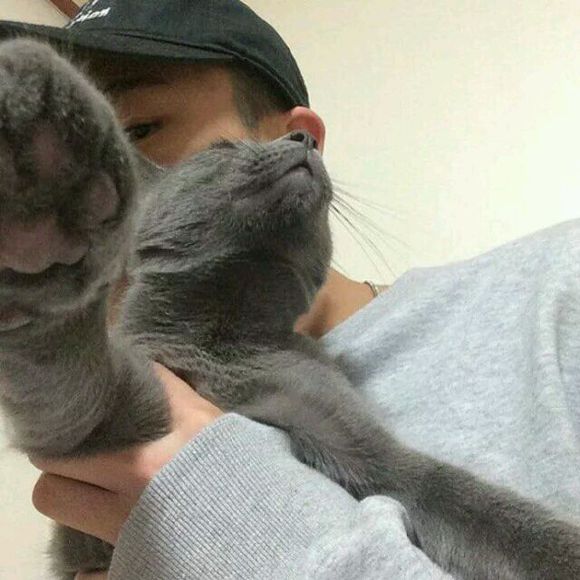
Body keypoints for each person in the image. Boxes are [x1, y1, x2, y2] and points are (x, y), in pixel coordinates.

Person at [1, 1, 579, 579]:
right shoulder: (135, 356)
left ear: (296, 140)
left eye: (137, 131)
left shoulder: (558, 285)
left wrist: (230, 509)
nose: (92, 173)